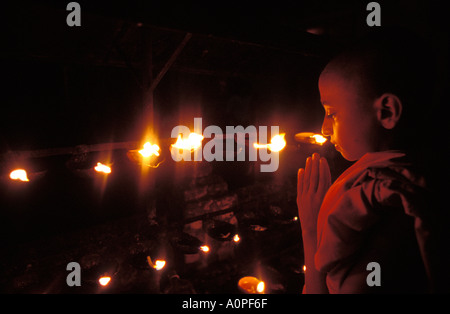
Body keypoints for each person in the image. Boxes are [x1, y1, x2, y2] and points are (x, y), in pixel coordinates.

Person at [297, 28, 448, 293]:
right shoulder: (411, 171)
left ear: (387, 111)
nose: (324, 128)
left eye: (332, 112)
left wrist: (311, 228)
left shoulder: (394, 211)